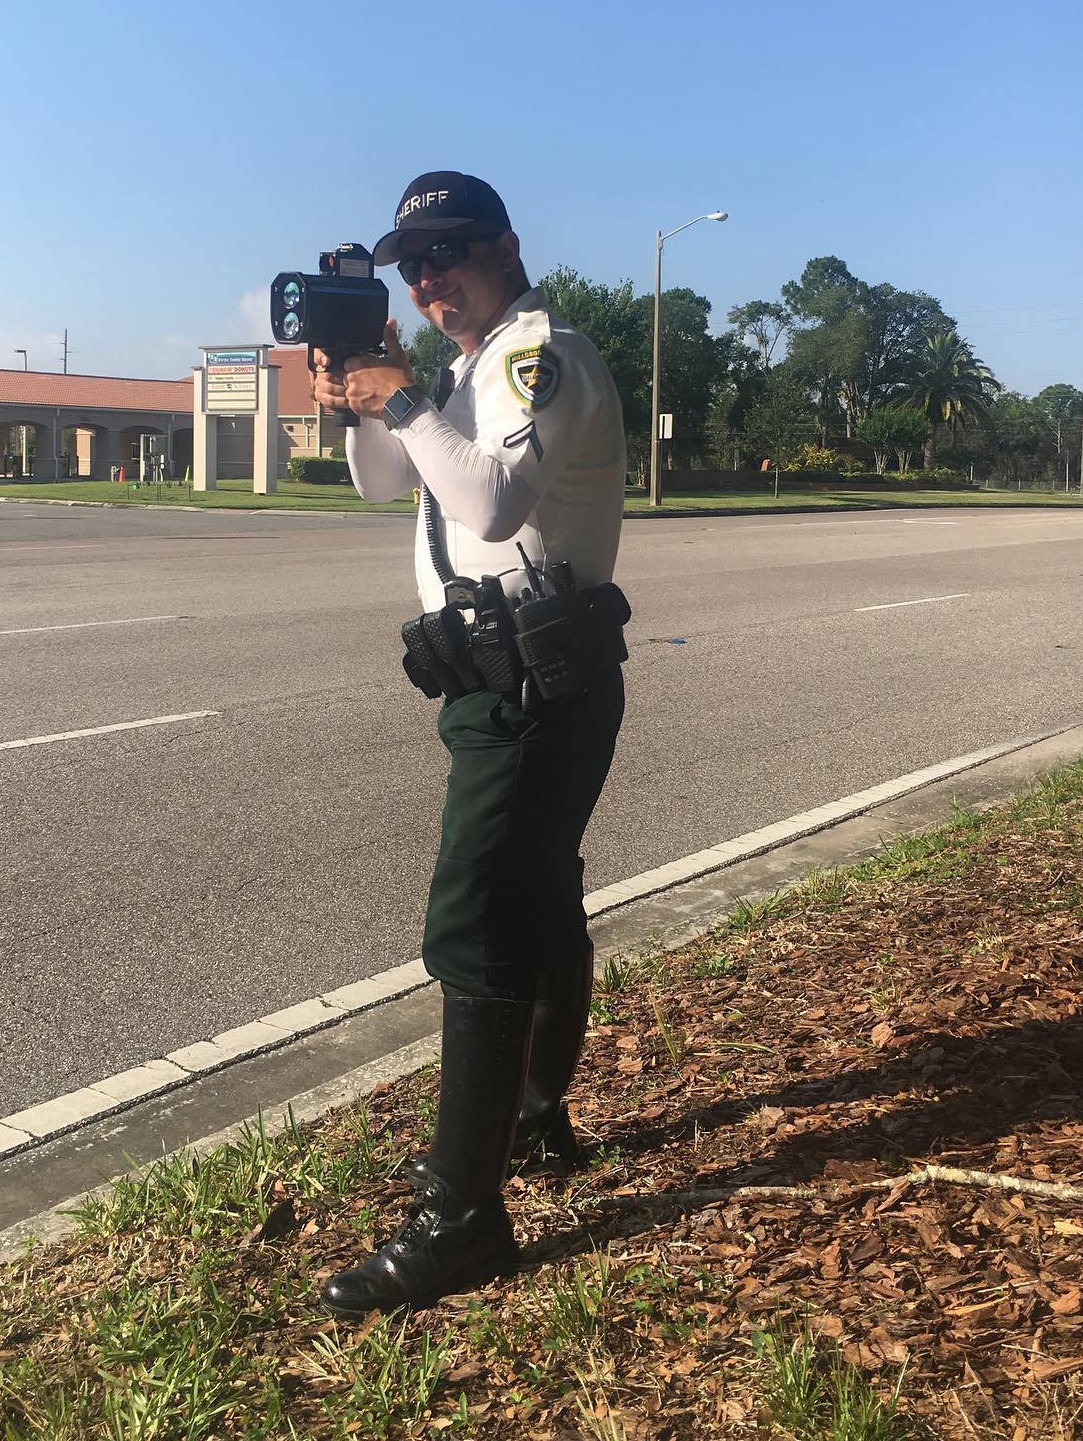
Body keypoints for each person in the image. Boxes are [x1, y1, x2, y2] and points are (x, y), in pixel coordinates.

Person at [311, 170, 629, 1316]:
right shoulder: (462, 369)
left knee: (478, 916)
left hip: (537, 683)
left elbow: (491, 504)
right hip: (501, 678)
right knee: (537, 902)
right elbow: (385, 485)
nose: (429, 278)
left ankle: (462, 1219)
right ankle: (535, 1123)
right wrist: (363, 404)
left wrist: (403, 398)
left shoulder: (539, 354)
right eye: (412, 264)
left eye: (446, 252)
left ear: (501, 247)